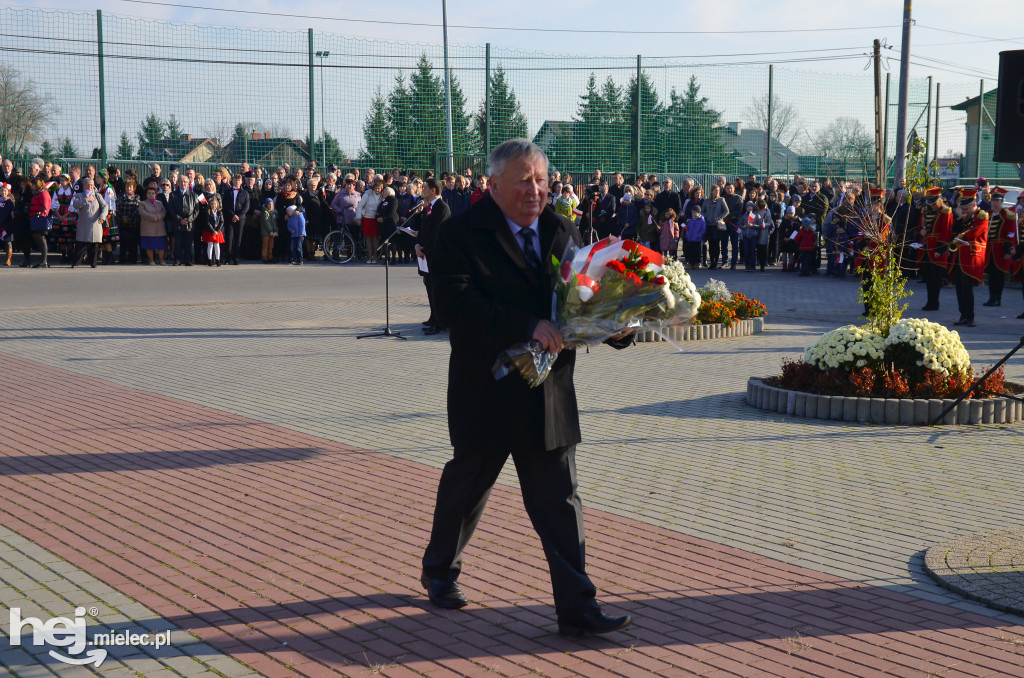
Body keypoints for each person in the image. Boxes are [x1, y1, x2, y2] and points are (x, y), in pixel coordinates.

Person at [421, 139, 633, 637]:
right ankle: (439, 570)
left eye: (540, 179)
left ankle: (578, 608)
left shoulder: (564, 229)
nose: (535, 190)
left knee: (560, 501)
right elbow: (453, 305)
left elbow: (583, 299)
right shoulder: (459, 232)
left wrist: (616, 326)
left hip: (547, 397)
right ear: (493, 185)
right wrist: (526, 324)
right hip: (486, 391)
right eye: (522, 181)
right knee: (467, 487)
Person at [947, 188, 988, 327]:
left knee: (967, 288)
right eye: (962, 207)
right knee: (959, 287)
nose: (963, 210)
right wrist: (958, 218)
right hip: (960, 256)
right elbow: (955, 230)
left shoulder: (981, 216)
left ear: (974, 204)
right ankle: (963, 315)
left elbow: (973, 234)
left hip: (971, 256)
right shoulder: (965, 218)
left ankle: (970, 316)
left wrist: (961, 236)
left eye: (966, 207)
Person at [415, 178, 450, 336]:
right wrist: (417, 245)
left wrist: (425, 249)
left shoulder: (442, 208)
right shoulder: (428, 208)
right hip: (426, 254)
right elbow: (424, 230)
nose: (422, 190)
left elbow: (438, 233)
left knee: (436, 288)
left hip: (437, 255)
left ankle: (439, 322)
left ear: (433, 190)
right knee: (429, 284)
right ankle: (433, 317)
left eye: (425, 188)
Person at [983, 187, 1013, 307]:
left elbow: (1010, 234)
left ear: (1002, 202)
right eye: (993, 201)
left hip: (1000, 249)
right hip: (990, 248)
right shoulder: (988, 214)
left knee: (999, 275)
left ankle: (997, 298)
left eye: (997, 201)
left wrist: (1007, 250)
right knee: (991, 274)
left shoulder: (1007, 215)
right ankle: (991, 297)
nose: (994, 203)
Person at [71, 178, 107, 269]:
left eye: (92, 185)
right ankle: (76, 262)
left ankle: (93, 263)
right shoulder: (79, 195)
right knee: (80, 244)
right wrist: (86, 199)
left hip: (95, 223)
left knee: (94, 245)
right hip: (84, 224)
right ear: (84, 186)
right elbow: (75, 204)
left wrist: (102, 217)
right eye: (88, 185)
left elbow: (105, 206)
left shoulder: (97, 195)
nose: (91, 187)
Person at [169, 175, 199, 266]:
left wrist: (189, 220)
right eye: (181, 181)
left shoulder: (194, 195)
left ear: (188, 183)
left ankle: (188, 260)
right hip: (177, 223)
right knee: (178, 243)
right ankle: (178, 259)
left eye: (185, 182)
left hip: (189, 224)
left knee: (188, 243)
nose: (183, 183)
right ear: (178, 183)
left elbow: (196, 210)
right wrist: (180, 219)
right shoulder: (173, 195)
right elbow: (171, 209)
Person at [356, 176, 385, 263]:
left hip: (376, 219)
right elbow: (360, 205)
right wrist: (358, 218)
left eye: (379, 188)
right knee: (368, 237)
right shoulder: (368, 193)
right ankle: (369, 256)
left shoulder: (383, 195)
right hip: (367, 218)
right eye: (376, 188)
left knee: (375, 238)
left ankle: (375, 256)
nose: (377, 190)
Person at [223, 173, 249, 265]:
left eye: (239, 180)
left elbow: (246, 207)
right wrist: (232, 215)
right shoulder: (227, 192)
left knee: (238, 239)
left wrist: (238, 216)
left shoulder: (245, 193)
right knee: (229, 238)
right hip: (229, 218)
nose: (237, 182)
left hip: (240, 219)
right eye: (235, 180)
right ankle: (227, 258)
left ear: (241, 182)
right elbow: (225, 205)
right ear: (232, 181)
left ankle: (236, 258)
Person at [138, 185, 167, 265]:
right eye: (149, 193)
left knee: (161, 245)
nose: (151, 194)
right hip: (148, 228)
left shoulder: (159, 203)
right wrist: (152, 217)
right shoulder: (142, 203)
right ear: (146, 194)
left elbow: (164, 212)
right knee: (149, 245)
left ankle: (161, 260)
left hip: (159, 227)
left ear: (155, 194)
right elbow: (142, 213)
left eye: (153, 193)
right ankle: (151, 260)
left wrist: (157, 217)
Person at [701, 185, 729, 269]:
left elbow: (726, 211)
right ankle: (712, 261)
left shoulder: (721, 200)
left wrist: (720, 217)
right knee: (710, 244)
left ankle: (716, 262)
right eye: (715, 190)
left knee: (716, 244)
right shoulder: (706, 200)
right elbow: (702, 211)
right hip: (708, 225)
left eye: (718, 191)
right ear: (711, 191)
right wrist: (705, 216)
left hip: (716, 225)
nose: (717, 192)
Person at [27, 177, 52, 268]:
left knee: (41, 239)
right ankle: (42, 260)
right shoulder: (39, 193)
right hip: (35, 218)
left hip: (40, 219)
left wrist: (31, 207)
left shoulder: (44, 193)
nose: (32, 186)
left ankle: (44, 260)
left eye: (33, 184)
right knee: (39, 240)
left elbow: (45, 208)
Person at [116, 180, 141, 264]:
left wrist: (129, 218)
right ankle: (122, 259)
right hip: (122, 223)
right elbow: (117, 208)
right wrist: (123, 217)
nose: (128, 188)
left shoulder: (137, 197)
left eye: (130, 186)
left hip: (133, 223)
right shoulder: (120, 197)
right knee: (123, 243)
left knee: (133, 244)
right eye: (127, 186)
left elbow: (137, 209)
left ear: (134, 188)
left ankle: (133, 260)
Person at [203, 194, 226, 267]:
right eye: (212, 204)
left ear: (217, 204)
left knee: (217, 245)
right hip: (210, 230)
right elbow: (207, 222)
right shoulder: (208, 212)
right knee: (210, 245)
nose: (213, 205)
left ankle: (218, 260)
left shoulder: (219, 212)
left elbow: (222, 221)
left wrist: (218, 230)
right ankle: (209, 260)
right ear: (210, 205)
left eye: (215, 204)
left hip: (217, 230)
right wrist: (212, 230)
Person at [682, 204, 705, 268]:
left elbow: (703, 229)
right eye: (692, 212)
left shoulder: (702, 220)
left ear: (698, 213)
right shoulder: (691, 220)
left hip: (697, 239)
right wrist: (685, 228)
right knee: (691, 251)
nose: (693, 214)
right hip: (690, 238)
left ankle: (697, 263)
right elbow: (688, 228)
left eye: (695, 212)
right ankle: (692, 263)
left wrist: (699, 236)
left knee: (697, 252)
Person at [260, 199, 277, 264]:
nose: (271, 206)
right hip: (266, 232)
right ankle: (264, 258)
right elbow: (266, 222)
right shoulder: (265, 212)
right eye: (269, 204)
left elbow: (274, 222)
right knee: (265, 246)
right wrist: (270, 231)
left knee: (271, 246)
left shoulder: (272, 212)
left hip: (272, 233)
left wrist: (275, 231)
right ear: (266, 205)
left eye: (272, 204)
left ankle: (270, 257)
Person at [0, 182, 13, 266]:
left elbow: (8, 213)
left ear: (8, 192)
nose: (3, 193)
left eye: (5, 191)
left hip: (6, 224)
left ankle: (8, 258)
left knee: (7, 241)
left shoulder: (10, 201)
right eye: (1, 191)